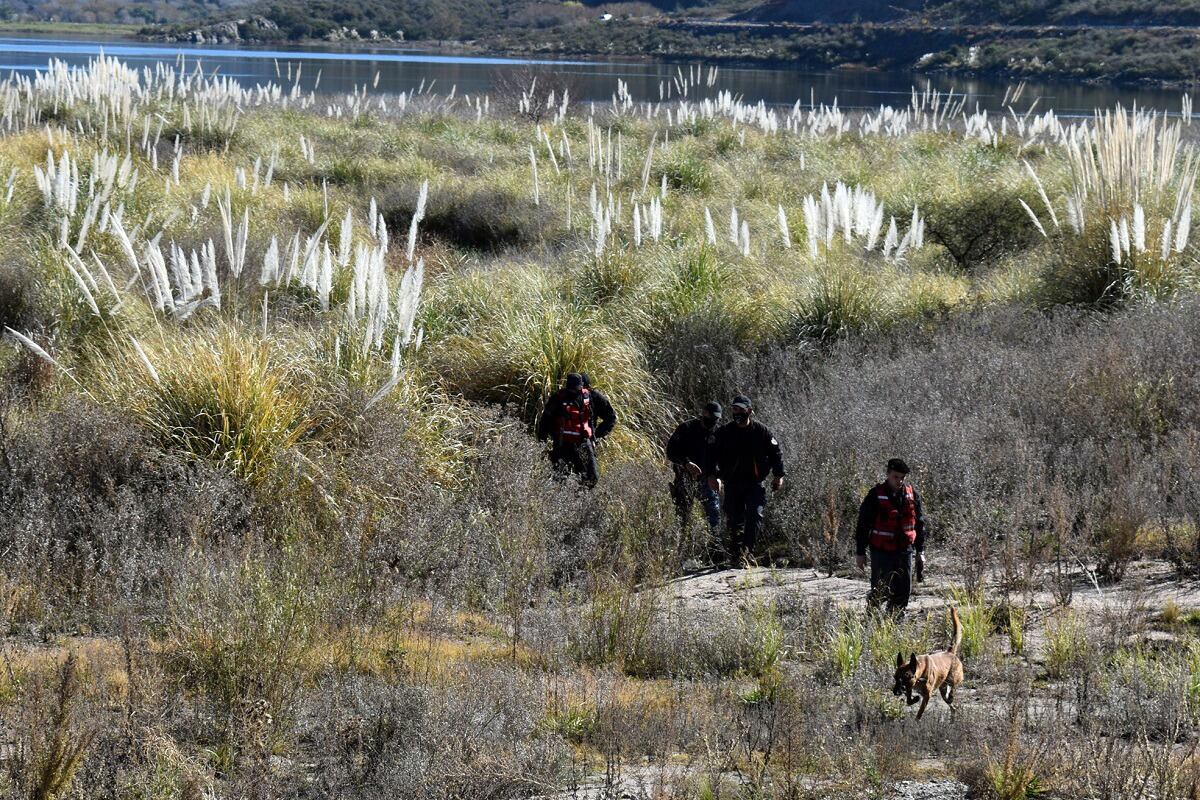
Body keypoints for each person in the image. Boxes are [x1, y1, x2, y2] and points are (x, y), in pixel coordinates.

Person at [707, 395, 785, 566]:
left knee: (754, 515)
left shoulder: (761, 431)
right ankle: (736, 555)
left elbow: (775, 453)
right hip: (732, 483)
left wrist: (779, 475)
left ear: (749, 411)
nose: (737, 412)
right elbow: (711, 456)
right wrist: (712, 476)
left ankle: (747, 552)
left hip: (755, 483)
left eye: (741, 409)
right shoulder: (724, 433)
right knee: (734, 519)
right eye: (734, 409)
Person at [855, 458, 927, 615]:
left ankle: (895, 623)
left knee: (903, 592)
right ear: (888, 474)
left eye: (902, 477)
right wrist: (860, 552)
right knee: (880, 591)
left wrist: (920, 551)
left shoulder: (912, 495)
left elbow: (919, 524)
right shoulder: (875, 496)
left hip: (904, 550)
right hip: (881, 551)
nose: (899, 481)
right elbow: (863, 525)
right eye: (896, 477)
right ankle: (872, 621)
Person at [536, 372, 616, 487]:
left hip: (561, 444)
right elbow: (611, 417)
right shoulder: (591, 396)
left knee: (559, 482)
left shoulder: (558, 397)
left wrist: (543, 444)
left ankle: (564, 502)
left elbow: (545, 422)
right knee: (590, 480)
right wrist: (595, 437)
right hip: (583, 443)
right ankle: (581, 500)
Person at [666, 401, 724, 535]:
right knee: (682, 518)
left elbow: (723, 459)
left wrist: (718, 477)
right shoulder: (686, 428)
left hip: (708, 480)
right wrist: (686, 463)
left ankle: (717, 547)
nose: (712, 421)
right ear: (703, 414)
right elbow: (671, 451)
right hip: (684, 478)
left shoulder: (718, 434)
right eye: (710, 416)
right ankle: (681, 547)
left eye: (716, 418)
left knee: (714, 515)